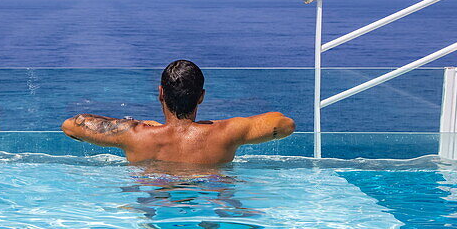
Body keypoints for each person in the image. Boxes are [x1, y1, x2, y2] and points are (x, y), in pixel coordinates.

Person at [61, 59, 294, 165]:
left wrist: (139, 124)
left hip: (152, 203)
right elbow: (285, 124)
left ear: (161, 93)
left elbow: (71, 125)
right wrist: (215, 126)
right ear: (201, 96)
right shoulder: (227, 133)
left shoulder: (134, 135)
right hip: (211, 202)